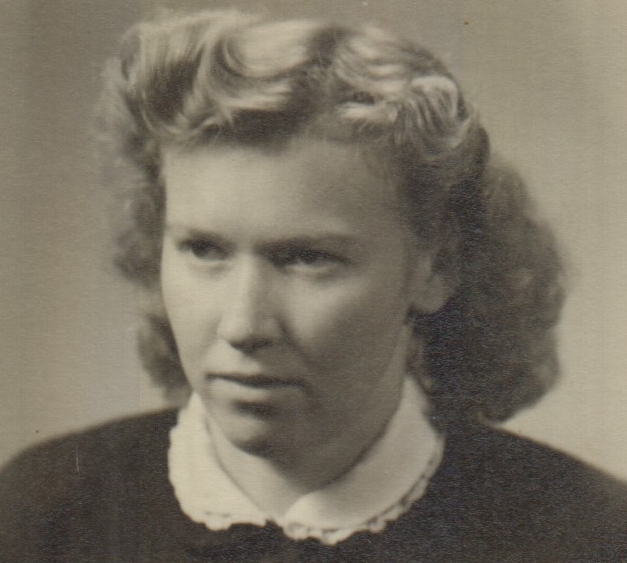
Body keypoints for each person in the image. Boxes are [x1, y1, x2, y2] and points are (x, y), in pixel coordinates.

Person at [1, 9, 625, 563]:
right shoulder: (38, 512)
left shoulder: (591, 535)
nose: (243, 325)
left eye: (307, 258)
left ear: (436, 268)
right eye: (204, 250)